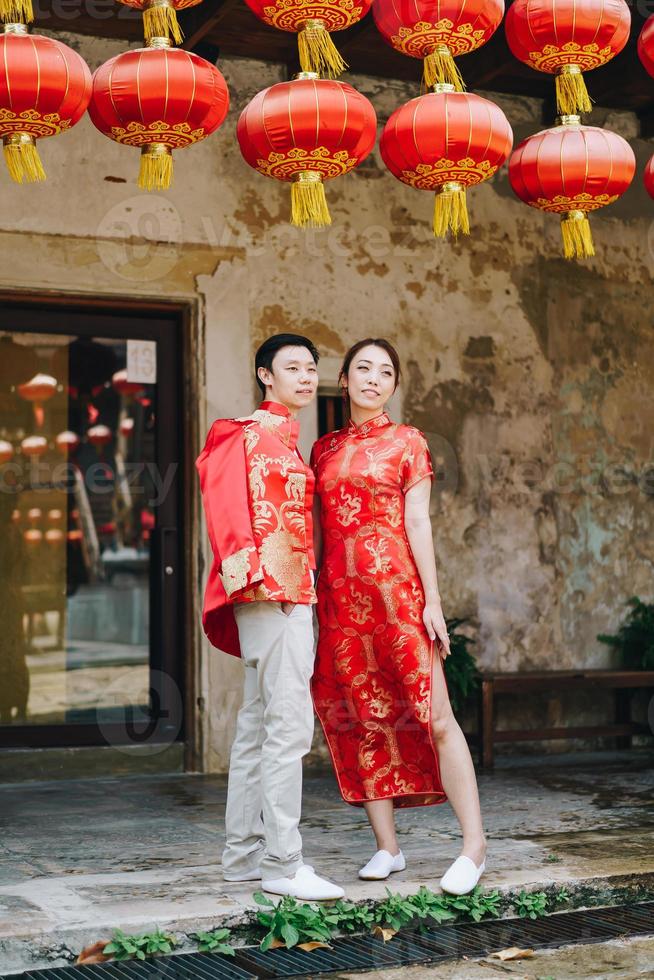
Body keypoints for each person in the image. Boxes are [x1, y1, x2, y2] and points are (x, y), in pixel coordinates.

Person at [310, 338, 486, 896]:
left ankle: (473, 848)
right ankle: (388, 847)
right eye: (364, 368)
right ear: (344, 379)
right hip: (342, 604)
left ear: (393, 385)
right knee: (363, 720)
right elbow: (318, 530)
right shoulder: (323, 449)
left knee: (436, 717)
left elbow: (418, 522)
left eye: (386, 372)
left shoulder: (408, 442)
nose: (374, 378)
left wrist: (432, 600)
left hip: (399, 600)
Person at [196, 333, 344, 901]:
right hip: (274, 594)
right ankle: (283, 862)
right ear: (265, 375)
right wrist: (263, 584)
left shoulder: (286, 441)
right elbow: (226, 511)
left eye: (312, 368)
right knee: (287, 726)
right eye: (293, 368)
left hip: (286, 592)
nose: (306, 377)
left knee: (259, 724)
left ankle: (242, 855)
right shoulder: (246, 434)